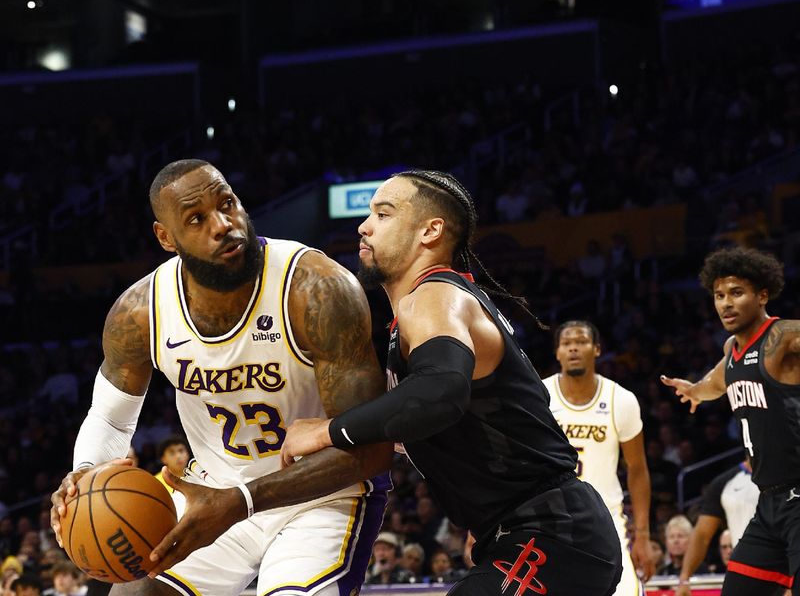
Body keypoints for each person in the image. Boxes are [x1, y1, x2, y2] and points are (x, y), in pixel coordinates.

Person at [49, 159, 393, 596]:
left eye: (227, 204)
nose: (223, 224)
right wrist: (83, 475)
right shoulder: (139, 313)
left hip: (324, 495)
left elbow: (371, 450)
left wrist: (243, 500)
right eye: (196, 219)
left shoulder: (316, 288)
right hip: (214, 491)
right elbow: (112, 419)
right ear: (165, 237)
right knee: (137, 592)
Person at [278, 170, 623, 594]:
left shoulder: (434, 297)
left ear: (430, 230)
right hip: (532, 531)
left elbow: (439, 395)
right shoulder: (429, 309)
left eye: (383, 214)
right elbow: (442, 417)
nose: (363, 227)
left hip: (552, 533)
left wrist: (325, 432)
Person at [661, 246, 800, 595]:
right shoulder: (732, 350)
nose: (725, 303)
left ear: (762, 294)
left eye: (737, 293)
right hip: (769, 503)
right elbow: (715, 383)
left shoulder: (783, 337)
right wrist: (694, 391)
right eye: (719, 295)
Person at [543, 320, 655, 595]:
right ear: (557, 353)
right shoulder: (540, 397)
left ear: (596, 350)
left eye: (580, 342)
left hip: (606, 521)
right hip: (551, 521)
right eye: (567, 343)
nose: (573, 349)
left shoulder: (621, 399)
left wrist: (643, 535)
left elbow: (637, 469)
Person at [676, 460, 759, 596]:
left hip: (785, 568)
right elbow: (702, 535)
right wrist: (684, 578)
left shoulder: (788, 476)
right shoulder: (726, 483)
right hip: (744, 572)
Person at [153, 436, 190, 519]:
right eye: (172, 453)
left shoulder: (200, 477)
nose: (178, 456)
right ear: (163, 459)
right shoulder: (155, 483)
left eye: (181, 451)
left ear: (187, 454)